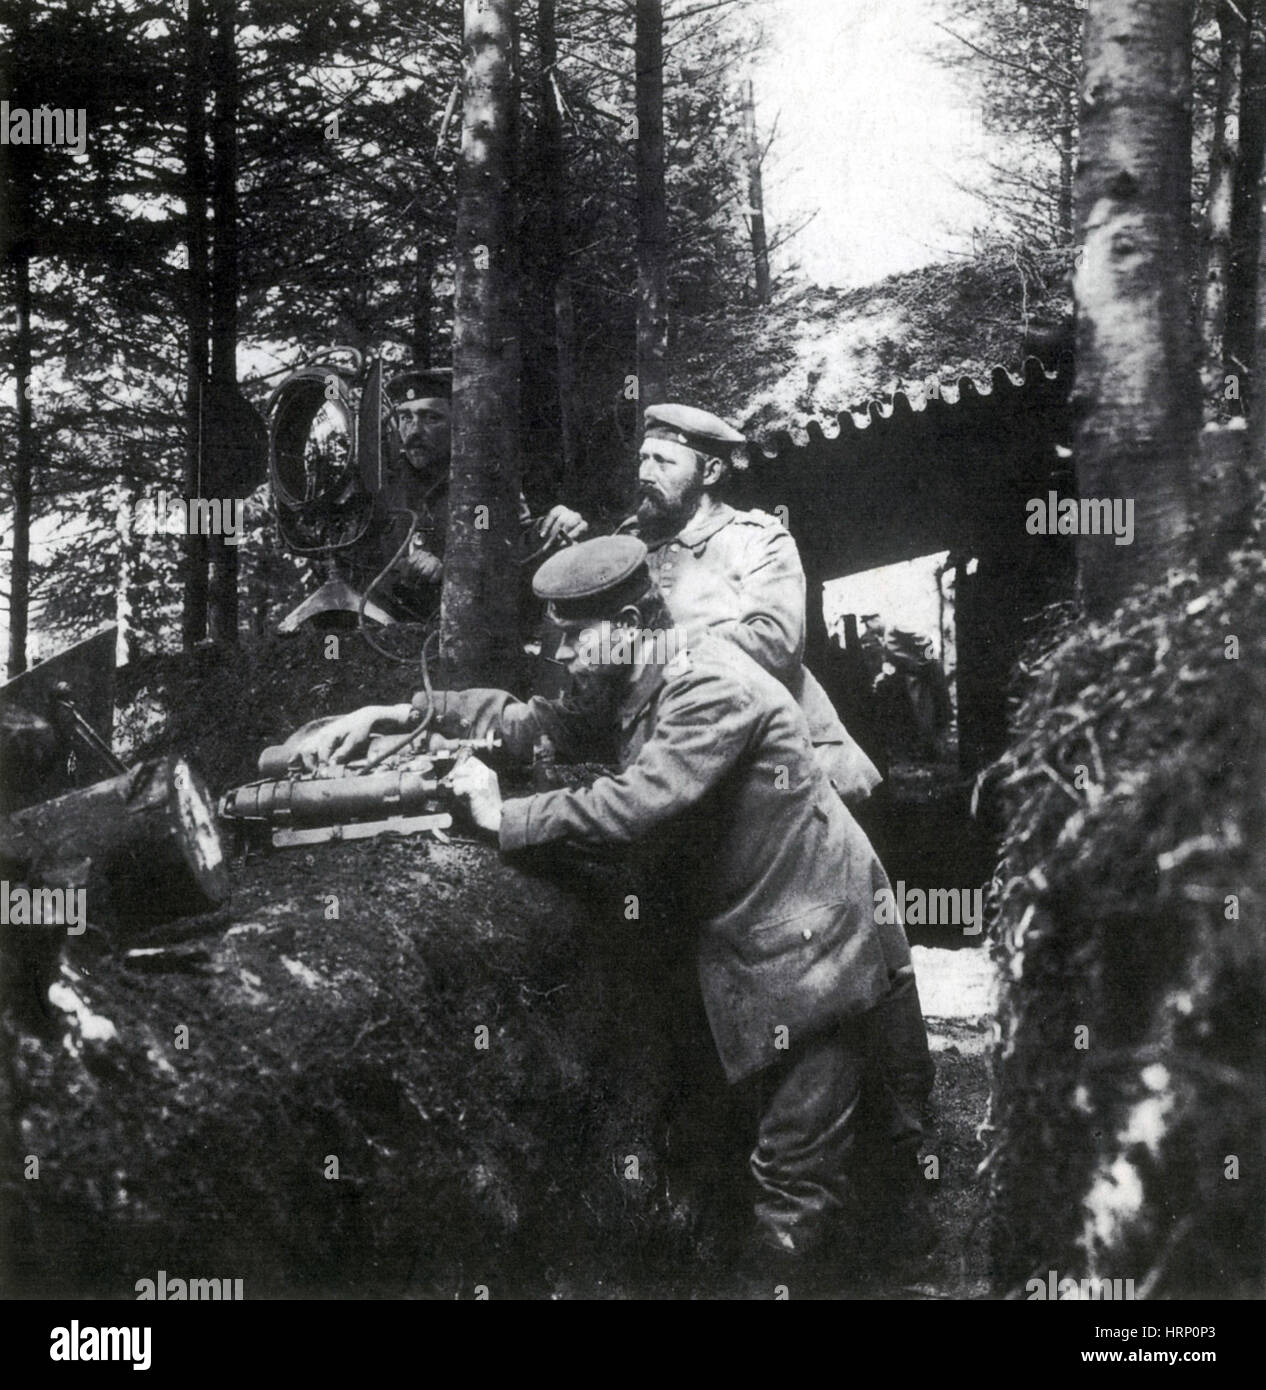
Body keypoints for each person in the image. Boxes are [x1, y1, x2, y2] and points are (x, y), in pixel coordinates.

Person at [297, 536, 934, 1282]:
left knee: (796, 1176)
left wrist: (505, 817)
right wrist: (404, 713)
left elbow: (641, 803)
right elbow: (538, 725)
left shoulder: (708, 683)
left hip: (812, 941)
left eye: (574, 634)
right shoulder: (635, 670)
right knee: (857, 1134)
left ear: (631, 618)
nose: (561, 652)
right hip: (772, 932)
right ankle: (896, 1262)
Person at [590, 403, 881, 805]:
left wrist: (655, 648)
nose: (644, 473)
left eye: (662, 461)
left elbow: (775, 644)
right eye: (642, 458)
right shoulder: (631, 543)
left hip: (773, 764)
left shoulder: (757, 539)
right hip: (676, 756)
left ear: (709, 473)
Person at [372, 368, 590, 616]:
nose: (413, 432)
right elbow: (361, 566)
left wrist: (449, 573)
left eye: (431, 418)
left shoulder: (485, 486)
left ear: (459, 424)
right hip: (390, 627)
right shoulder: (384, 487)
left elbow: (512, 557)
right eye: (405, 418)